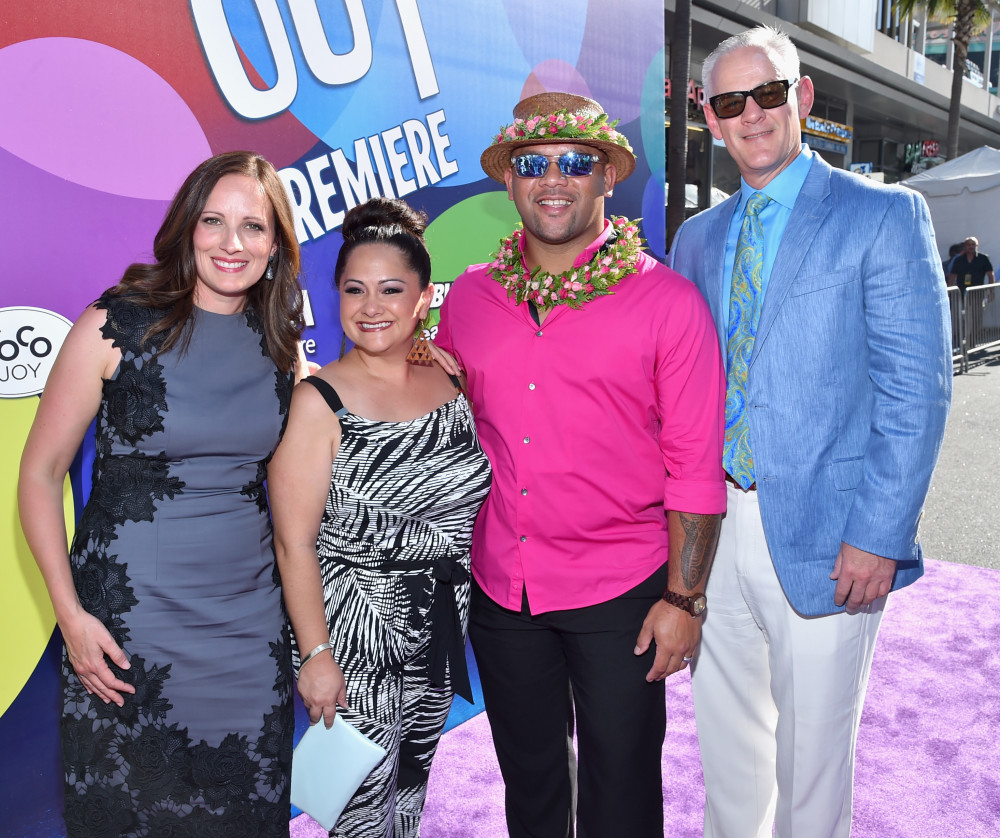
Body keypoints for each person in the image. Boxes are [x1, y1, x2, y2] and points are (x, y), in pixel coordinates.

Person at [668, 26, 952, 838]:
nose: (753, 113)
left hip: (835, 539)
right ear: (710, 119)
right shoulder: (698, 238)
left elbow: (917, 394)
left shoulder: (884, 214)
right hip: (711, 530)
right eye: (731, 101)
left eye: (768, 92)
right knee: (727, 751)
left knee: (815, 763)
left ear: (804, 97)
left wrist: (879, 533)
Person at [436, 91, 726, 838]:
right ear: (511, 181)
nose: (554, 178)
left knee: (622, 793)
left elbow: (694, 466)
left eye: (576, 162)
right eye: (535, 163)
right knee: (530, 785)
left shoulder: (669, 302)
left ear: (606, 178)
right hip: (504, 592)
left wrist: (685, 600)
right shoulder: (467, 299)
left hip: (622, 593)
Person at [17, 150, 304, 836]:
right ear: (187, 228)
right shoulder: (115, 324)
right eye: (215, 221)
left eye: (253, 227)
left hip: (247, 641)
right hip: (126, 638)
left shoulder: (282, 349)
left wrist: (419, 354)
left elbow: (332, 437)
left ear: (276, 245)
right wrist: (69, 616)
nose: (232, 243)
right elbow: (38, 473)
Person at [267, 197, 492, 837]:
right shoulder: (320, 401)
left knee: (408, 804)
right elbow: (293, 543)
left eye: (392, 290)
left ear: (424, 298)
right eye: (354, 289)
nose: (372, 307)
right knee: (358, 816)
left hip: (438, 629)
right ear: (335, 295)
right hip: (353, 641)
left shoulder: (449, 381)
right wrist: (314, 655)